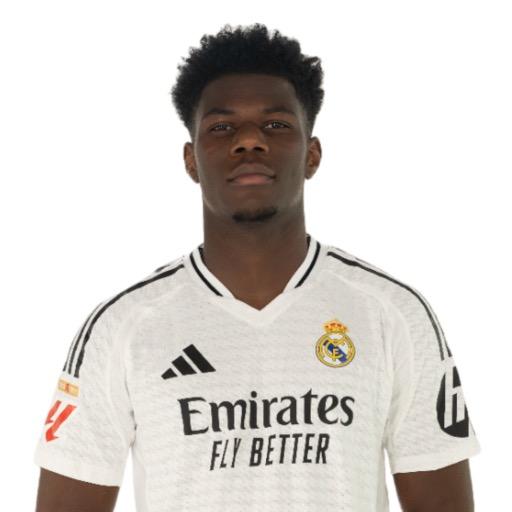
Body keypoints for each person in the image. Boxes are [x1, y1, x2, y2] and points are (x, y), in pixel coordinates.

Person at [34, 22, 481, 512]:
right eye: (222, 127)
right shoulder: (123, 326)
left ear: (312, 155)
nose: (249, 140)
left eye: (276, 125)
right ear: (191, 160)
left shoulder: (391, 313)